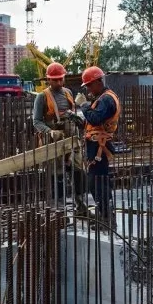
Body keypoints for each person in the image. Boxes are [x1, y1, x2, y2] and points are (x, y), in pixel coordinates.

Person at [75, 66, 121, 222]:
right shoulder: (102, 98)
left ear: (99, 82)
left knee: (98, 184)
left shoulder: (106, 99)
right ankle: (106, 215)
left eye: (89, 85)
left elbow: (95, 118)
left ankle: (107, 218)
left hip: (100, 148)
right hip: (97, 146)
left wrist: (83, 105)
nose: (88, 89)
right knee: (97, 183)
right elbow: (93, 122)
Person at [32, 62, 80, 206]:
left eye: (61, 79)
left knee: (76, 168)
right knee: (56, 171)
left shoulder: (68, 93)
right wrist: (50, 131)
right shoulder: (42, 97)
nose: (59, 82)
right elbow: (36, 121)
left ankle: (79, 201)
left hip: (70, 137)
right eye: (55, 79)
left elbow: (72, 113)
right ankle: (57, 204)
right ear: (49, 80)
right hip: (53, 140)